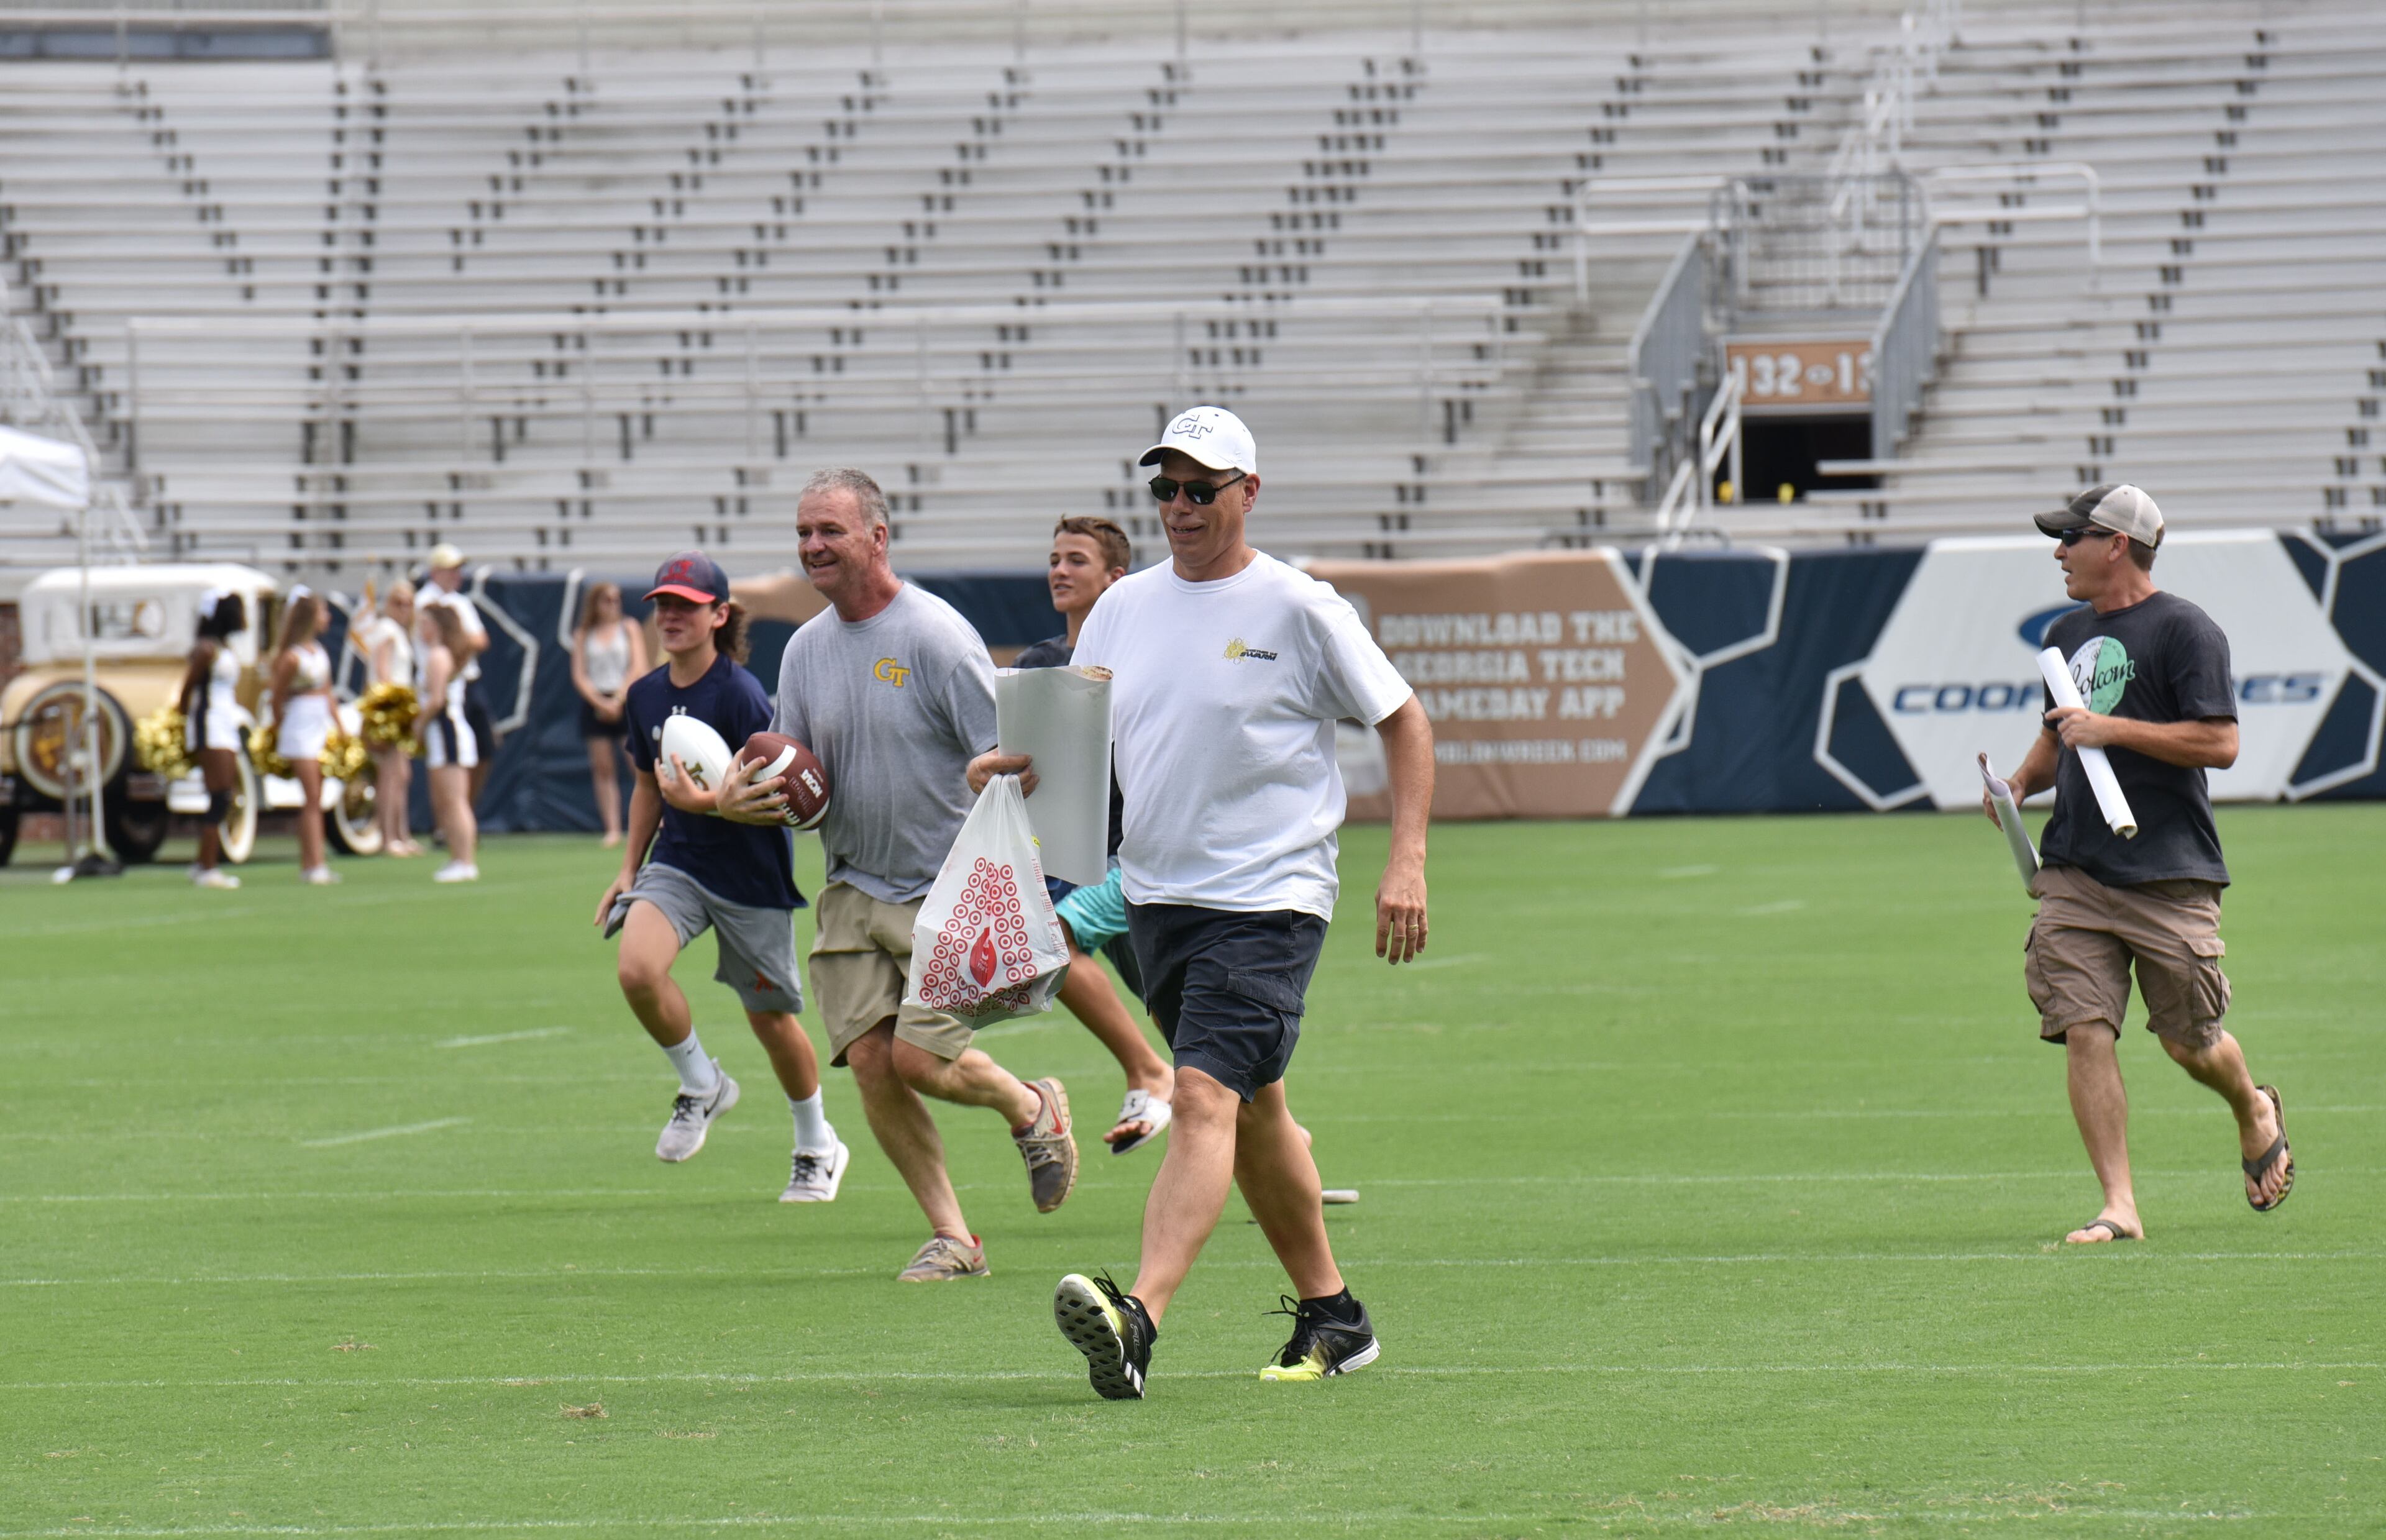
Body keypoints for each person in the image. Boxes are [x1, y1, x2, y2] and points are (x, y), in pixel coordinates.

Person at [1007, 406, 1434, 1400]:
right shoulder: (1123, 608)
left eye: (1203, 488)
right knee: (1257, 1109)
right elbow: (1069, 750)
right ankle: (1336, 1315)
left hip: (1271, 898)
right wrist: (1007, 773)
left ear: (1249, 491)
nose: (1182, 507)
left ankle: (1138, 1316)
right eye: (1167, 489)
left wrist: (1404, 858)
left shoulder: (1299, 606)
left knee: (1201, 1097)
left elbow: (1405, 719)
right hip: (1158, 897)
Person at [713, 467, 1077, 1283]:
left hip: (942, 886)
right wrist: (746, 798)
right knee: (874, 1063)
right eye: (804, 532)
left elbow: (1009, 754)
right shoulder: (804, 649)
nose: (812, 546)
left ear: (877, 537)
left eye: (830, 531)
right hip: (850, 883)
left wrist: (995, 772)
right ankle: (955, 1236)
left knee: (918, 1059)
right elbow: (793, 773)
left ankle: (1031, 1104)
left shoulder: (935, 635)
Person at [1985, 484, 2290, 1245]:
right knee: (2084, 1026)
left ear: (2116, 544)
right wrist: (2020, 784)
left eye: (2071, 539)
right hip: (2075, 871)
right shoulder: (2064, 633)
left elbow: (2219, 744)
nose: (2058, 552)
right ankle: (2118, 1204)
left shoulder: (2187, 629)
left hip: (2170, 870)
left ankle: (2252, 1106)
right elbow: (2061, 738)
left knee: (2190, 1042)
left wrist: (2111, 729)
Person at [594, 551, 846, 1200]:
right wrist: (628, 869)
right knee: (636, 969)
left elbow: (770, 800)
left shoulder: (739, 695)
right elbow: (650, 786)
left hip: (749, 878)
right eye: (662, 605)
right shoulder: (646, 694)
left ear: (719, 615)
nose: (671, 616)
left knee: (770, 1019)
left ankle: (817, 1142)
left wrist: (708, 803)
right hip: (677, 863)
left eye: (686, 605)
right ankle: (702, 1082)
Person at [1014, 516, 1176, 1155]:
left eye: (1076, 559)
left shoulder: (1147, 660)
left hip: (1135, 858)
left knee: (1051, 942)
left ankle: (1147, 1072)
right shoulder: (1039, 663)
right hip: (1068, 861)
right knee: (1190, 1023)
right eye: (1054, 558)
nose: (1059, 569)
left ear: (1117, 579)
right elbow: (1021, 765)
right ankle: (1288, 1146)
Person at [266, 590, 340, 885]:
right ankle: (313, 865)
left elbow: (329, 692)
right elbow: (277, 698)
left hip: (319, 723)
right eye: (323, 612)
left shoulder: (319, 653)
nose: (328, 618)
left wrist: (340, 729)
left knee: (316, 796)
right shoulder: (292, 658)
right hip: (299, 725)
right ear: (311, 617)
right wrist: (281, 726)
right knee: (312, 796)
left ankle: (314, 862)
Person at [178, 589, 247, 890]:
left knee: (224, 795)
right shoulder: (206, 650)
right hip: (209, 724)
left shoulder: (222, 646)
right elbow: (187, 689)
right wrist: (181, 724)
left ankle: (202, 863)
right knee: (220, 796)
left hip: (225, 722)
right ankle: (208, 867)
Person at [420, 544, 499, 806]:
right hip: (444, 683)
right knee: (443, 756)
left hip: (467, 683)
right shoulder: (425, 602)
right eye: (452, 570)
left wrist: (458, 642)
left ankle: (463, 810)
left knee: (482, 748)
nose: (458, 575)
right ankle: (448, 819)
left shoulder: (461, 602)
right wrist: (461, 642)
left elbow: (481, 640)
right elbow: (467, 642)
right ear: (436, 572)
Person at [572, 581, 646, 848]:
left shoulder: (629, 628)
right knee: (603, 769)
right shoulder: (584, 634)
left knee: (637, 765)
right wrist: (600, 702)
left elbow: (638, 666)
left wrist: (617, 700)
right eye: (607, 600)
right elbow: (580, 675)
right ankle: (612, 828)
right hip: (596, 703)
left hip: (624, 701)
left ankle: (651, 821)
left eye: (617, 600)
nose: (613, 605)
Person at [416, 601, 481, 883]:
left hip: (446, 729)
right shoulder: (438, 653)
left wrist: (417, 724)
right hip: (442, 732)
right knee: (445, 801)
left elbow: (437, 700)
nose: (421, 628)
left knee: (455, 801)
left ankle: (465, 861)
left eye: (426, 623)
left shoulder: (439, 655)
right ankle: (457, 857)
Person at [357, 580, 422, 857]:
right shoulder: (386, 630)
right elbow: (382, 672)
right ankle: (389, 836)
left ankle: (400, 834)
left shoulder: (400, 633)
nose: (404, 609)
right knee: (391, 774)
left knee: (401, 774)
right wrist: (390, 707)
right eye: (398, 602)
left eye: (408, 603)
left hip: (400, 707)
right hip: (391, 708)